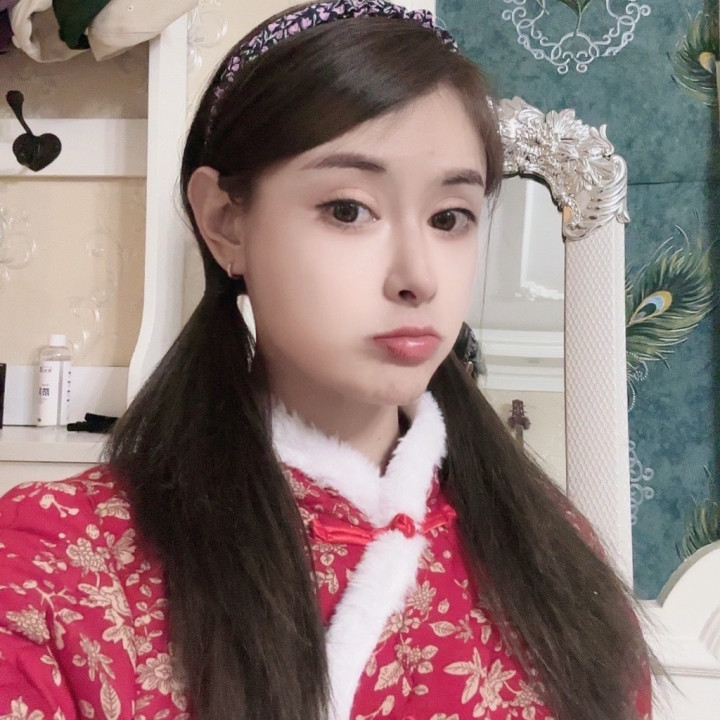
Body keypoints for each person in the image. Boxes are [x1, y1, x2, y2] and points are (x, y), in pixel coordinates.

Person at [0, 3, 653, 720]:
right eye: (348, 209)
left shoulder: (553, 553)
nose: (419, 277)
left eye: (450, 217)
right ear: (224, 221)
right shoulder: (56, 563)